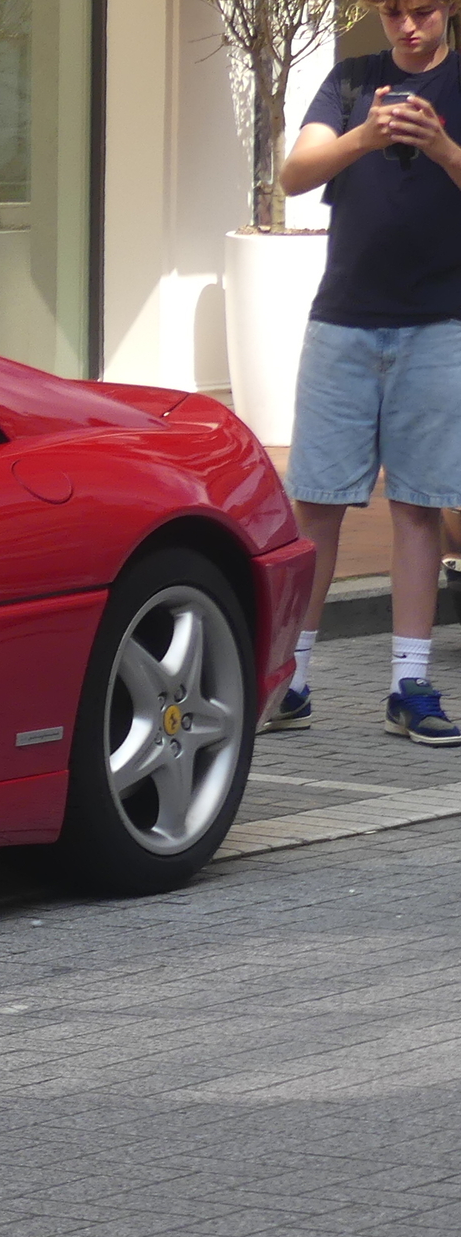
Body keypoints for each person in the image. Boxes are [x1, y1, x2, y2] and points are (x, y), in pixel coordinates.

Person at [272, 0, 461, 747]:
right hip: (342, 322)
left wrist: (443, 147)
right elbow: (293, 175)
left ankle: (410, 685)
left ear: (448, 7)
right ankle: (287, 678)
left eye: (422, 11)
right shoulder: (352, 81)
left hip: (438, 325)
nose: (408, 28)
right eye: (392, 13)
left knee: (418, 506)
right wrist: (363, 135)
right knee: (316, 502)